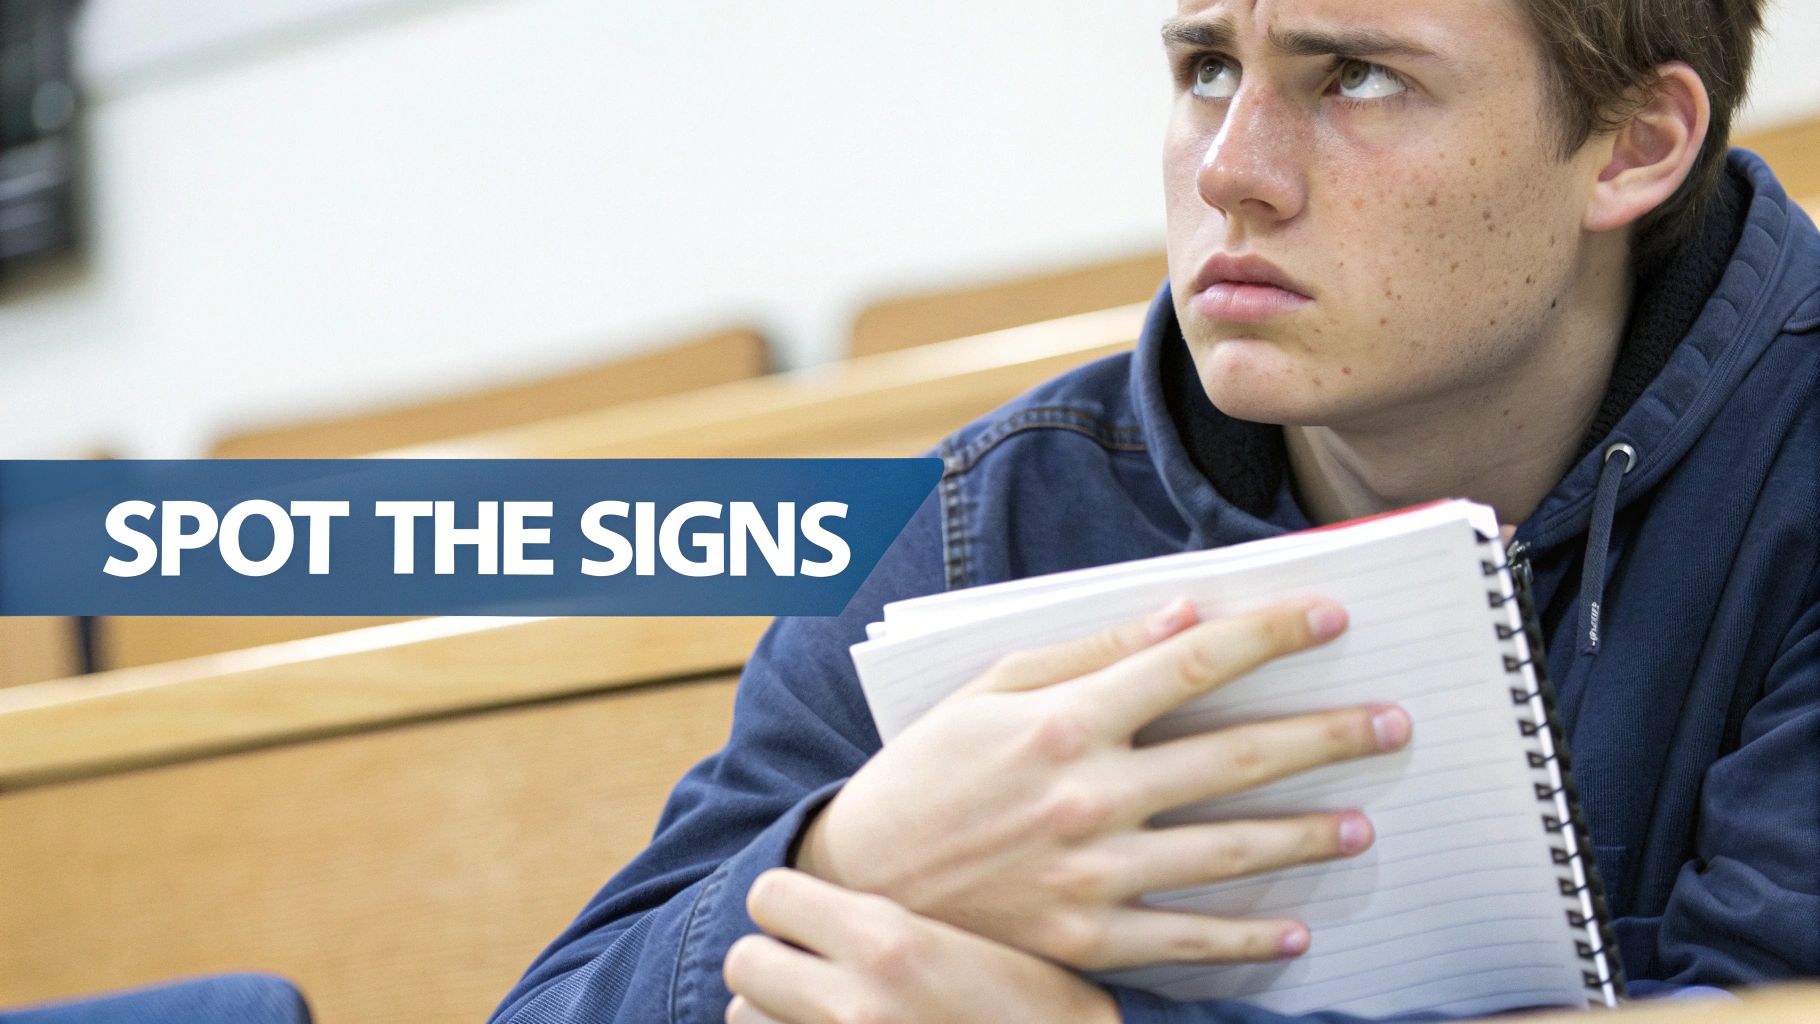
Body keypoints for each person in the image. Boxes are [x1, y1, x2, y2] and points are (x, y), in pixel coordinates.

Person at [493, 0, 1819, 1021]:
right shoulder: (992, 515)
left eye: (1355, 75)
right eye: (1204, 70)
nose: (1234, 170)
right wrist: (846, 860)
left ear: (1635, 146)